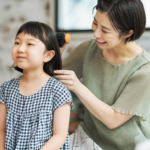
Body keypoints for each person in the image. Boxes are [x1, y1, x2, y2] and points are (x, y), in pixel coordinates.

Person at [54, 0, 150, 150]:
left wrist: (78, 87)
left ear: (128, 33)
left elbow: (113, 120)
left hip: (130, 146)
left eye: (105, 30)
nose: (96, 33)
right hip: (88, 139)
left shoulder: (145, 70)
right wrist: (54, 57)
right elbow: (50, 81)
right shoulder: (89, 49)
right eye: (95, 23)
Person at [0, 21, 73, 150]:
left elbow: (59, 136)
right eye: (17, 42)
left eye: (29, 44)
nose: (20, 48)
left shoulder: (57, 90)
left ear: (48, 55)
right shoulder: (6, 89)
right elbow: (1, 131)